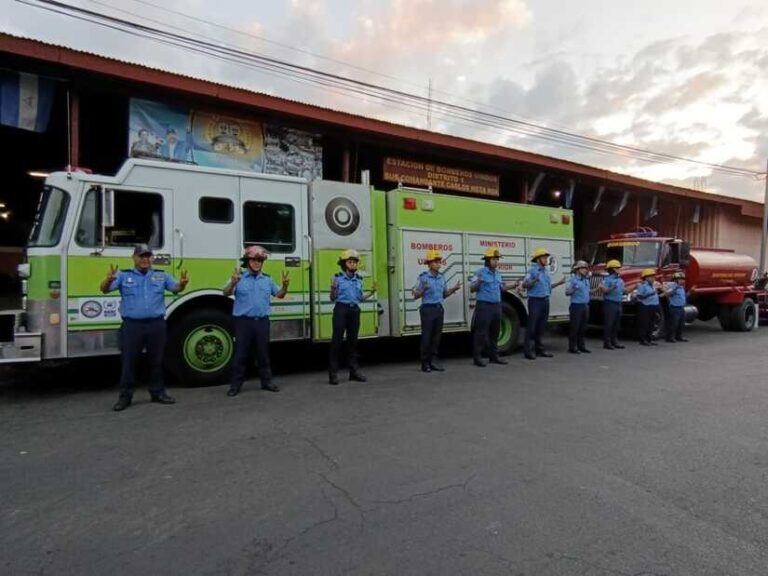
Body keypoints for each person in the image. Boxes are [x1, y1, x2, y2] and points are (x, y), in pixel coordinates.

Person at [101, 243, 188, 411]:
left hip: (156, 325)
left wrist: (183, 284)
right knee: (129, 362)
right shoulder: (122, 276)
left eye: (148, 256)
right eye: (141, 256)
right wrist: (108, 280)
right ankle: (125, 397)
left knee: (156, 361)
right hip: (132, 326)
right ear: (134, 258)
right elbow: (104, 290)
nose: (145, 259)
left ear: (152, 258)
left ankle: (158, 393)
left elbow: (176, 288)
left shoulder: (161, 276)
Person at [224, 245, 289, 397]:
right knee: (240, 355)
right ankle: (235, 386)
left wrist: (285, 286)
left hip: (262, 322)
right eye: (253, 260)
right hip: (243, 322)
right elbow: (225, 292)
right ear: (247, 262)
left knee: (263, 354)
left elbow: (279, 295)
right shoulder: (238, 278)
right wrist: (233, 283)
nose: (257, 263)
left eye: (260, 260)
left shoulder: (267, 279)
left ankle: (267, 382)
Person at [329, 249, 377, 385]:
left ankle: (353, 372)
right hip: (341, 310)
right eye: (350, 262)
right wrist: (332, 289)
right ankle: (333, 373)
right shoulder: (337, 278)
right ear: (344, 264)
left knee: (353, 342)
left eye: (355, 262)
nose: (353, 264)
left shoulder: (359, 280)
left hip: (354, 310)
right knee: (336, 342)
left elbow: (360, 298)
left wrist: (372, 293)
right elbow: (332, 298)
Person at [412, 249, 462, 372]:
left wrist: (453, 288)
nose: (438, 264)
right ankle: (425, 363)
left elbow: (444, 294)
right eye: (435, 261)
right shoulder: (423, 278)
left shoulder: (442, 277)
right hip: (427, 309)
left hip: (439, 309)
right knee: (427, 337)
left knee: (436, 337)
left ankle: (433, 361)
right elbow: (415, 295)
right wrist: (423, 290)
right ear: (429, 264)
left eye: (439, 261)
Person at [469, 247, 518, 367]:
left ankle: (494, 356)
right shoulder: (480, 272)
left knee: (495, 332)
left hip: (496, 305)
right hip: (484, 305)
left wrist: (513, 286)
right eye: (494, 259)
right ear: (487, 260)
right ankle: (477, 357)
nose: (496, 261)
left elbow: (501, 288)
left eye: (497, 259)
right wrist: (479, 282)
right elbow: (472, 288)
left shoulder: (498, 274)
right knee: (481, 332)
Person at [522, 247, 567, 360]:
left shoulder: (546, 272)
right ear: (538, 259)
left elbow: (548, 286)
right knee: (532, 326)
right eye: (544, 257)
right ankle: (528, 351)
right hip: (535, 301)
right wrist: (533, 281)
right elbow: (525, 285)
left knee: (541, 327)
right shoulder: (532, 271)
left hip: (545, 301)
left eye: (546, 257)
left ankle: (540, 350)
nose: (546, 259)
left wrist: (559, 283)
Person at [565, 260, 592, 354]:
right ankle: (572, 347)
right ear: (577, 269)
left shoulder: (586, 280)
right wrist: (574, 288)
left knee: (583, 327)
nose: (585, 270)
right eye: (583, 268)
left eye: (586, 268)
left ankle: (582, 346)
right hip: (576, 306)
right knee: (575, 327)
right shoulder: (572, 280)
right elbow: (567, 292)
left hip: (585, 305)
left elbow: (588, 292)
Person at [598, 259, 626, 349]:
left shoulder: (620, 280)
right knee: (609, 323)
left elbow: (624, 291)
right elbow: (604, 291)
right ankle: (607, 342)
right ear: (613, 269)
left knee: (617, 324)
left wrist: (634, 287)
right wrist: (612, 287)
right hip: (610, 303)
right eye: (617, 268)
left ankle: (614, 341)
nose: (619, 269)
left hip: (618, 303)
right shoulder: (607, 280)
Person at [634, 268, 661, 346]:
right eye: (651, 277)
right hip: (645, 306)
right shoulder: (643, 286)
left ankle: (649, 339)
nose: (653, 278)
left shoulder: (653, 285)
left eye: (653, 277)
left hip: (654, 306)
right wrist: (651, 294)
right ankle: (643, 340)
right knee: (644, 324)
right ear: (646, 277)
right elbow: (639, 296)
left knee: (651, 324)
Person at [662, 271, 688, 343]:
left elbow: (683, 296)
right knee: (673, 323)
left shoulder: (681, 287)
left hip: (681, 307)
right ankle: (669, 337)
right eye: (680, 279)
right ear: (675, 279)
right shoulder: (672, 285)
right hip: (674, 307)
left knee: (681, 323)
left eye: (683, 279)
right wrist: (675, 288)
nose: (682, 281)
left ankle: (679, 336)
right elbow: (668, 294)